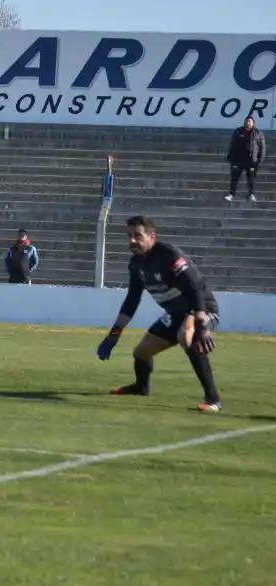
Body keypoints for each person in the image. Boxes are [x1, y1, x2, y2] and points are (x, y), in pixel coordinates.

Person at [97, 216, 222, 412]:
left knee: (187, 337)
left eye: (138, 236)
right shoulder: (136, 264)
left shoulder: (169, 255)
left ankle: (213, 399)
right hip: (175, 314)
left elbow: (195, 288)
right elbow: (131, 301)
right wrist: (113, 335)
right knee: (141, 353)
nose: (132, 241)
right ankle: (141, 387)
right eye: (129, 236)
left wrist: (199, 325)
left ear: (151, 236)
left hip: (200, 308)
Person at [225, 115, 264, 202]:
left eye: (250, 121)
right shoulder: (238, 131)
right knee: (234, 178)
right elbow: (232, 144)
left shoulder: (258, 133)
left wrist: (259, 160)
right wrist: (230, 157)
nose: (248, 122)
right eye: (247, 121)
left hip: (251, 161)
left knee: (251, 179)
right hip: (238, 160)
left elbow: (262, 148)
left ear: (253, 123)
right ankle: (231, 194)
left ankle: (251, 194)